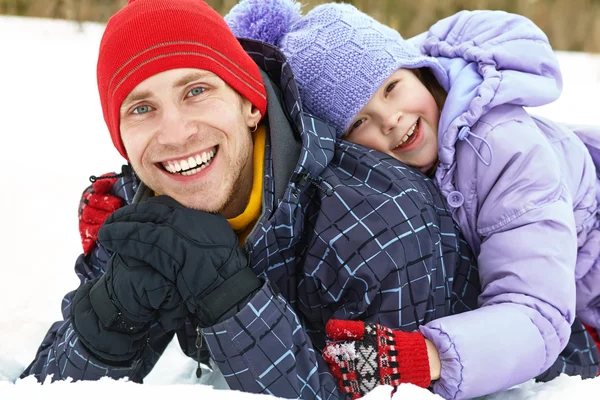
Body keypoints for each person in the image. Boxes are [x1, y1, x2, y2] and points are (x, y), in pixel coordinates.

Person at [20, 0, 481, 398]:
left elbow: (391, 396)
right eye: (142, 108)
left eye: (196, 91)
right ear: (121, 138)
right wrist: (113, 315)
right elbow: (38, 390)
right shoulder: (142, 208)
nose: (176, 133)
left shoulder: (380, 220)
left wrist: (231, 298)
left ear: (250, 102)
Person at [226, 0, 600, 398]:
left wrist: (429, 355)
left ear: (418, 70)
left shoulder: (504, 148)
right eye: (359, 121)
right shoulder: (397, 170)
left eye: (391, 88)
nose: (390, 119)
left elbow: (536, 309)